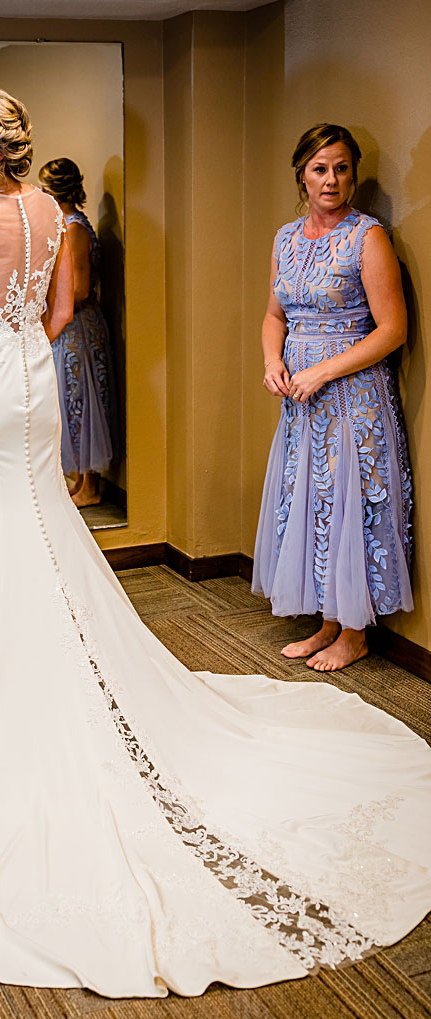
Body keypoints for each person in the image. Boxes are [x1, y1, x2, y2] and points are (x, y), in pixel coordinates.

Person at [0, 86, 431, 998]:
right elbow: (58, 310)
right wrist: (12, 352)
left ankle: (4, 689)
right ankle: (55, 666)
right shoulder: (49, 208)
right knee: (42, 521)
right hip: (34, 379)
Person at [254, 124, 410, 673]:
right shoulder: (285, 238)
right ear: (302, 173)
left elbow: (391, 329)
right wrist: (274, 361)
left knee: (351, 504)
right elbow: (275, 315)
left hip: (354, 397)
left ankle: (355, 632)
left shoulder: (368, 237)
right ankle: (325, 621)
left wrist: (323, 370)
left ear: (354, 174)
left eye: (342, 168)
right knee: (313, 504)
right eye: (321, 168)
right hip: (301, 400)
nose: (332, 180)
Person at [38, 157, 116, 507]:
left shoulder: (73, 228)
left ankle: (91, 485)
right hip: (68, 322)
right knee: (70, 400)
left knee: (82, 399)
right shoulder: (63, 225)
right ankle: (79, 480)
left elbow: (81, 288)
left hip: (78, 326)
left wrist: (46, 304)